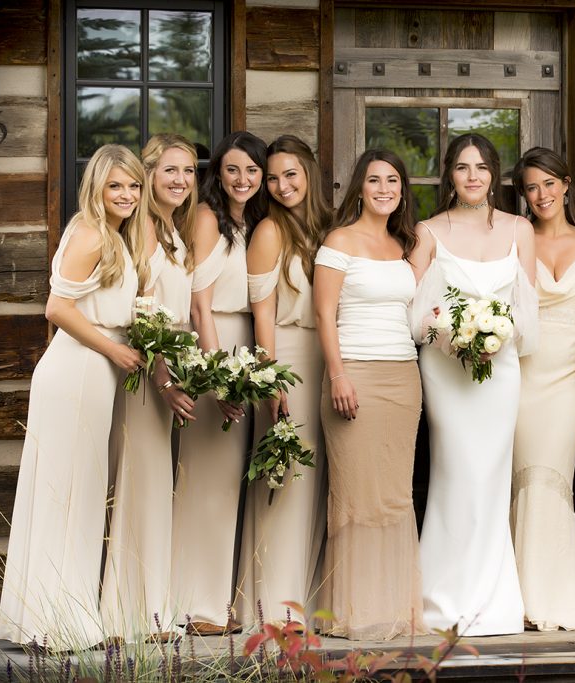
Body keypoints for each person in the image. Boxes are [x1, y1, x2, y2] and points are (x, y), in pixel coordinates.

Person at [0, 144, 146, 650]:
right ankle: (54, 623)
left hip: (93, 371)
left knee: (79, 494)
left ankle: (59, 616)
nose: (126, 195)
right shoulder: (88, 233)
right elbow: (57, 309)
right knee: (67, 494)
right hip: (78, 369)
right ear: (97, 189)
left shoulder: (115, 236)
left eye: (133, 186)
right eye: (116, 186)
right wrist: (116, 352)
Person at [409, 133, 537, 636]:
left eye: (481, 167)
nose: (473, 177)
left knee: (490, 478)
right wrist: (451, 336)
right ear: (450, 174)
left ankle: (494, 601)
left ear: (494, 173)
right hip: (445, 369)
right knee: (455, 473)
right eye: (462, 167)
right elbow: (412, 308)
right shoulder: (428, 230)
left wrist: (495, 336)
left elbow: (526, 308)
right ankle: (440, 599)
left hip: (500, 370)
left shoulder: (519, 229)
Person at [314, 149, 425, 640]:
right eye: (375, 180)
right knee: (357, 494)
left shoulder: (403, 246)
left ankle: (395, 608)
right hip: (353, 374)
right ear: (359, 187)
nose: (385, 188)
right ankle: (354, 611)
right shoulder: (339, 240)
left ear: (402, 190)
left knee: (395, 495)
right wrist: (338, 375)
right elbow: (324, 314)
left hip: (403, 377)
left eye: (393, 180)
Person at [101, 134, 198, 642]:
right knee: (142, 484)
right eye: (169, 171)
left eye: (188, 171)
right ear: (150, 174)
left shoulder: (173, 231)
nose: (180, 180)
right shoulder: (140, 235)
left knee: (158, 486)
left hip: (170, 368)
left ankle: (150, 606)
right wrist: (161, 380)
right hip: (144, 375)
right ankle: (129, 614)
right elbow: (139, 314)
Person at [170, 131, 266, 635]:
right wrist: (216, 378)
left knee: (228, 481)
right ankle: (197, 605)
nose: (242, 179)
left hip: (243, 344)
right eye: (233, 170)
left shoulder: (248, 222)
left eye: (252, 170)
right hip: (216, 345)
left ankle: (210, 598)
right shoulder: (207, 218)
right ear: (218, 174)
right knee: (207, 477)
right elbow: (198, 304)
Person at [509, 147, 575, 631]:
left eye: (549, 183)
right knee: (522, 475)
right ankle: (517, 593)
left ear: (567, 184)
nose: (542, 194)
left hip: (571, 372)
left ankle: (554, 592)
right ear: (523, 194)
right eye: (532, 186)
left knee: (553, 475)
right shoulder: (515, 237)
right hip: (521, 370)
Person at [235, 135, 331, 626]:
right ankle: (273, 604)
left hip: (325, 359)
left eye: (289, 174)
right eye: (272, 178)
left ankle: (306, 601)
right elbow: (263, 316)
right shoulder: (270, 231)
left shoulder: (327, 228)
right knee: (286, 478)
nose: (280, 185)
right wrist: (272, 381)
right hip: (288, 357)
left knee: (315, 482)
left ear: (308, 173)